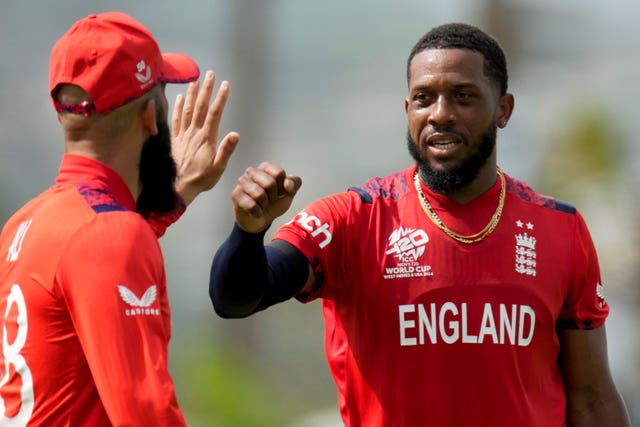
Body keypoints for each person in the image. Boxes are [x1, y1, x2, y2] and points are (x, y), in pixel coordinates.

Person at [209, 22, 631, 426]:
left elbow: (592, 401)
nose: (441, 114)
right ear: (408, 110)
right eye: (425, 98)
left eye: (463, 96)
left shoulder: (560, 228)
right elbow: (237, 299)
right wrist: (248, 232)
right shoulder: (352, 219)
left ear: (503, 110)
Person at [0, 11, 238, 426]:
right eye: (163, 94)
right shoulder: (110, 234)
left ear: (63, 114)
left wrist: (176, 194)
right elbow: (146, 415)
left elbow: (92, 253)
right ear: (151, 117)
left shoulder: (25, 223)